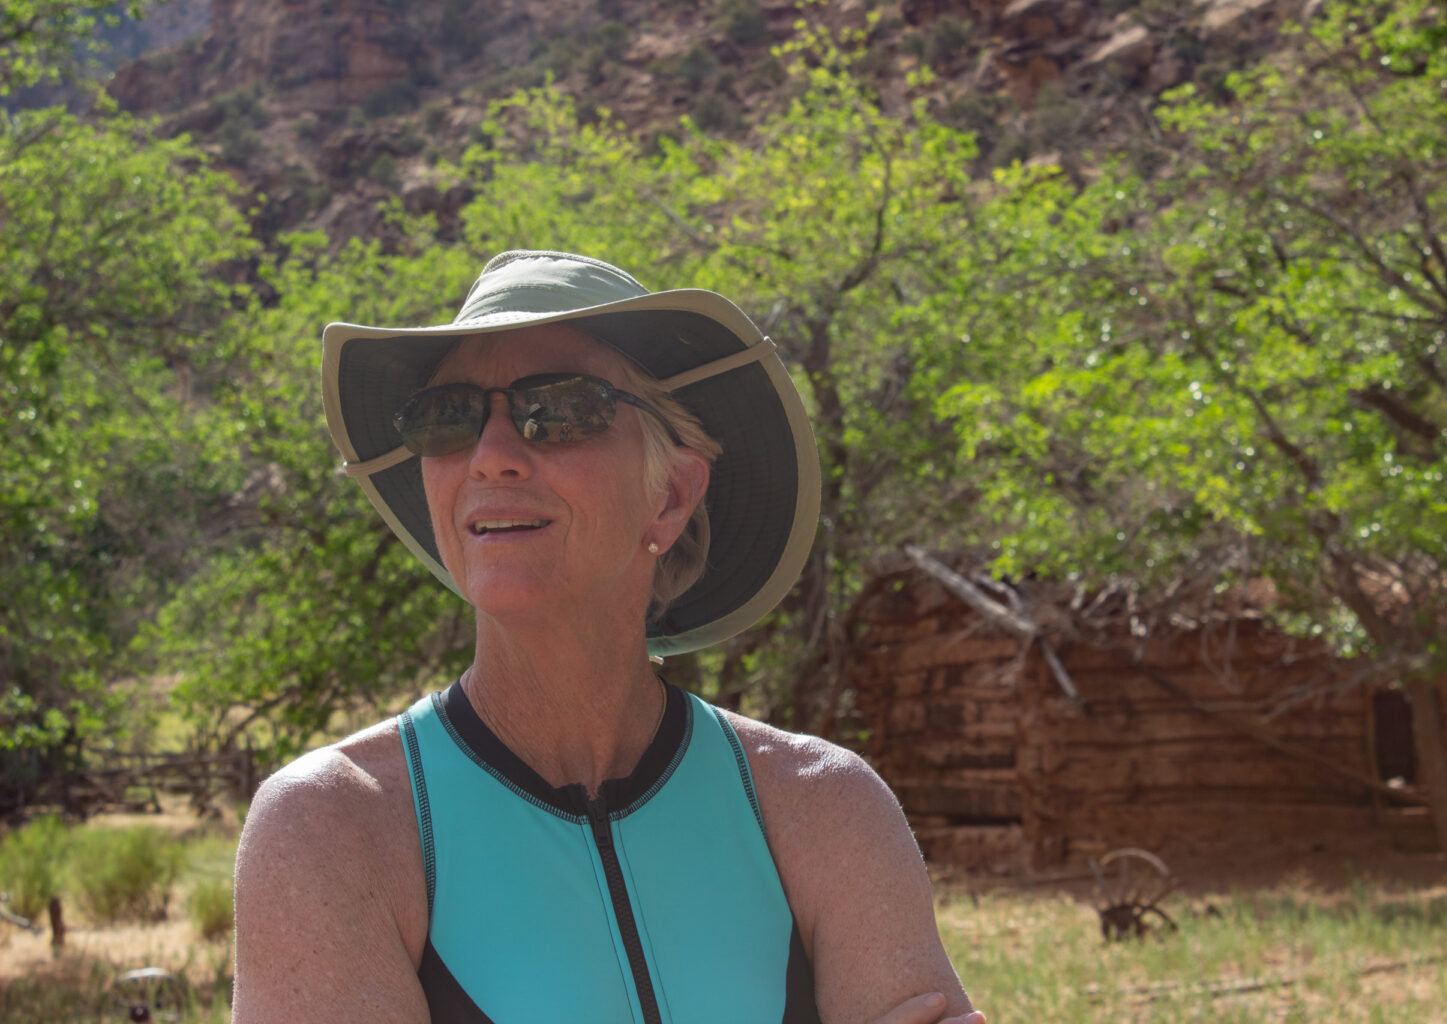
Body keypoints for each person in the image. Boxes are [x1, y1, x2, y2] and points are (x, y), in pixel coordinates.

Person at [231, 250, 984, 1024]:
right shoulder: (333, 829)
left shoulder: (825, 809)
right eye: (449, 418)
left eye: (557, 409)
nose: (490, 455)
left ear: (671, 495)